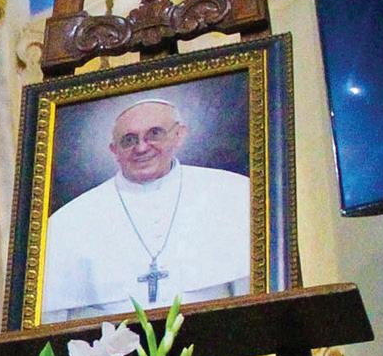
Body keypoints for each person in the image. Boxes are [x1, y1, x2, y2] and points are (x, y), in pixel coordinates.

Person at [41, 98, 251, 322]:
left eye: (155, 134)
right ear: (114, 150)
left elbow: (253, 297)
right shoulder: (69, 221)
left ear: (179, 135)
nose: (141, 148)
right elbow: (50, 323)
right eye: (129, 140)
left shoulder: (233, 192)